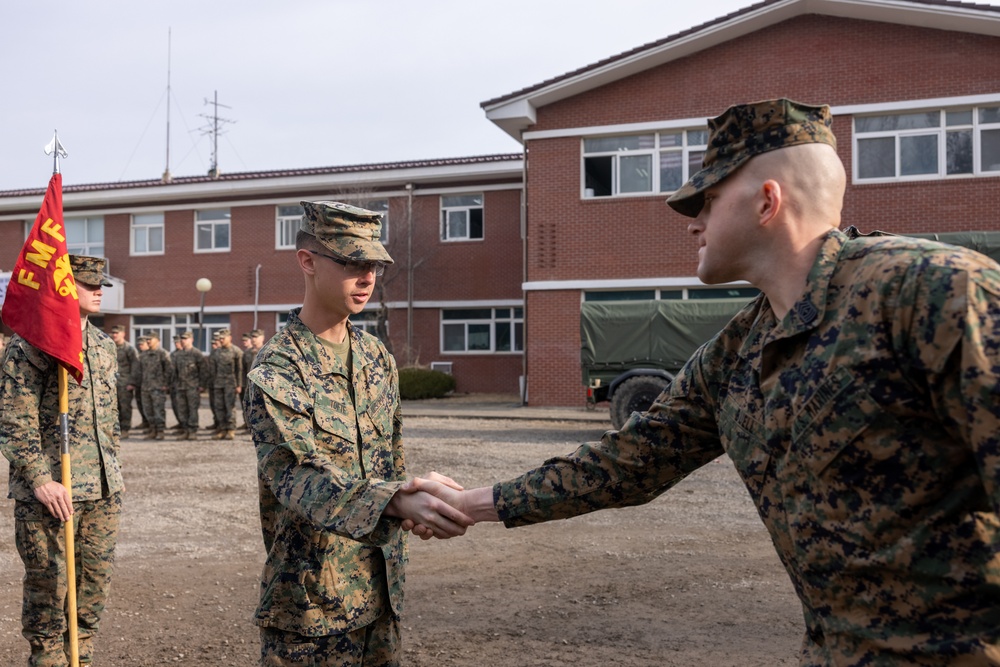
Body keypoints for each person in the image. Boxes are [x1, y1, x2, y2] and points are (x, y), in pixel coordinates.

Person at [402, 99, 1000, 665]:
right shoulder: (738, 351)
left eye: (707, 203)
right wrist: (469, 505)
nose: (694, 225)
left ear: (768, 202)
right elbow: (627, 462)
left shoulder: (935, 293)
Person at [244, 200, 472, 666]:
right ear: (308, 261)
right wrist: (395, 501)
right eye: (351, 262)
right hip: (312, 604)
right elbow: (296, 479)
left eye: (372, 264)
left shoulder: (375, 356)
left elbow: (390, 460)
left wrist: (412, 493)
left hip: (381, 586)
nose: (367, 277)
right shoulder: (277, 368)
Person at [0, 255, 124, 666]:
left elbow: (110, 419)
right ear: (65, 289)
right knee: (49, 590)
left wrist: (114, 473)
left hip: (101, 490)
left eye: (99, 284)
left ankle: (80, 660)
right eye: (89, 284)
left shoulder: (105, 346)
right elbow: (14, 418)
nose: (98, 290)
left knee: (92, 588)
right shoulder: (30, 346)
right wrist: (39, 478)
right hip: (52, 493)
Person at [128, 332, 173, 440]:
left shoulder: (163, 354)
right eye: (147, 339)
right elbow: (138, 371)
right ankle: (152, 430)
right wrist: (134, 383)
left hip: (158, 387)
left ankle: (160, 431)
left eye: (150, 339)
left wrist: (165, 384)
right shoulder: (143, 355)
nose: (148, 341)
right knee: (148, 410)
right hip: (145, 387)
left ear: (158, 340)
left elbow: (169, 370)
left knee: (158, 410)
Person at [207, 328, 242, 440]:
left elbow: (239, 370)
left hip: (230, 384)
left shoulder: (236, 351)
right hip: (218, 384)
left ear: (229, 338)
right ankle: (222, 429)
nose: (221, 340)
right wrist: (211, 384)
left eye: (223, 338)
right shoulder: (216, 352)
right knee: (219, 407)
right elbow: (213, 370)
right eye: (220, 338)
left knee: (230, 407)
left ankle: (231, 429)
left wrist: (239, 385)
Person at [172, 331, 205, 440]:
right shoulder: (178, 354)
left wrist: (202, 385)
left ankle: (192, 431)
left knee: (192, 409)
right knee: (182, 409)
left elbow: (203, 370)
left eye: (185, 339)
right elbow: (175, 372)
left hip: (193, 386)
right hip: (180, 386)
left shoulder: (197, 353)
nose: (183, 341)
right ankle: (185, 430)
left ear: (191, 340)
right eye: (182, 339)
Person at [109, 324, 139, 439]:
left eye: (117, 333)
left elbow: (135, 366)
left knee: (125, 407)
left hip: (125, 383)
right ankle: (116, 429)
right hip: (112, 383)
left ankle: (125, 429)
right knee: (113, 407)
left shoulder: (129, 349)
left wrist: (132, 383)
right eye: (113, 333)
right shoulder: (110, 346)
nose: (115, 335)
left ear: (123, 334)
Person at [240, 329, 265, 431]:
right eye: (252, 337)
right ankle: (251, 429)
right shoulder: (247, 353)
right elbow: (242, 369)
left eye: (256, 337)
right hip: (249, 385)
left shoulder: (267, 350)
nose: (253, 339)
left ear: (262, 338)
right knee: (249, 407)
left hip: (262, 385)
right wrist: (241, 384)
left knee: (262, 409)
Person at [134, 336, 151, 432]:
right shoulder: (140, 355)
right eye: (139, 345)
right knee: (140, 404)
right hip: (139, 383)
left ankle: (150, 423)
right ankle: (145, 421)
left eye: (142, 344)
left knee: (148, 405)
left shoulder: (150, 355)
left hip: (148, 384)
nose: (140, 346)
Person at [169, 335, 185, 432]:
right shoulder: (173, 354)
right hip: (174, 384)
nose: (176, 344)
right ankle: (180, 423)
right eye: (175, 343)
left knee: (182, 406)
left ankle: (185, 425)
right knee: (175, 405)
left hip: (183, 385)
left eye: (178, 342)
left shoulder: (185, 354)